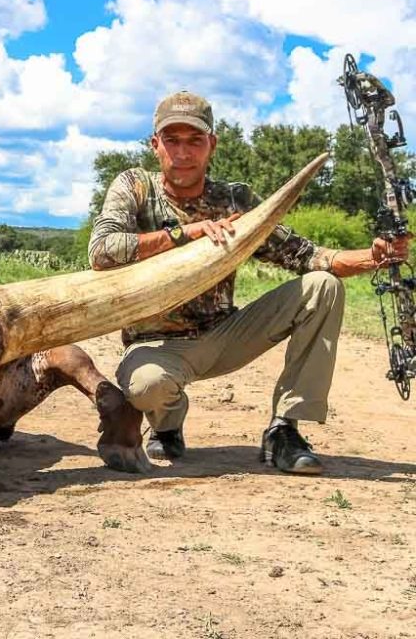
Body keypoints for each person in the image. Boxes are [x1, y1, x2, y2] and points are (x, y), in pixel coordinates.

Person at [87, 90, 410, 474]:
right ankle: (168, 423)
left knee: (323, 287)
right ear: (155, 145)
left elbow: (306, 255)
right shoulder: (135, 187)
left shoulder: (235, 199)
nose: (183, 152)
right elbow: (102, 251)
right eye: (171, 140)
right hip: (153, 346)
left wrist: (375, 257)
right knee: (147, 387)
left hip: (225, 335)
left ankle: (285, 429)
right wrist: (187, 234)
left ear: (213, 145)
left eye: (195, 140)